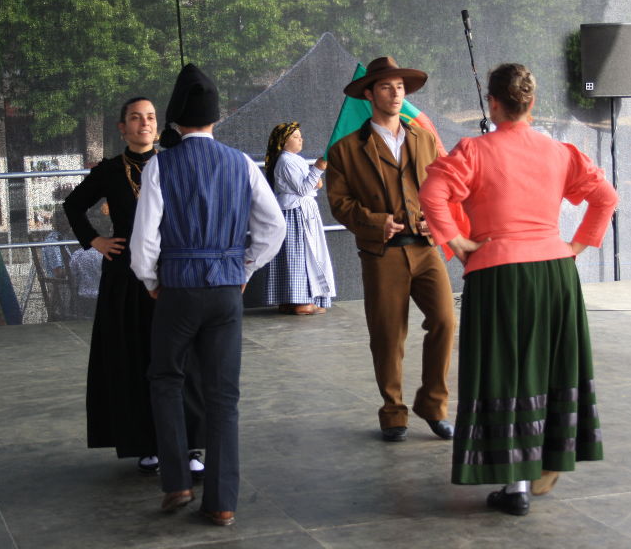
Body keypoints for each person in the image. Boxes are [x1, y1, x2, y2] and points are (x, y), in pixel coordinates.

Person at [418, 63, 617, 516]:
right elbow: (606, 198)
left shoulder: (473, 150)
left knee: (505, 373)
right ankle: (543, 464)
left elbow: (431, 194)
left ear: (492, 103)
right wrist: (575, 246)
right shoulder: (560, 152)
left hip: (499, 274)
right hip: (555, 272)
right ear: (531, 103)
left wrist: (458, 242)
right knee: (548, 370)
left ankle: (516, 485)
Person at [130, 64, 285, 526]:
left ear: (175, 121)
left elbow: (144, 243)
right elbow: (274, 228)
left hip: (177, 290)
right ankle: (221, 503)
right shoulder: (242, 164)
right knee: (223, 396)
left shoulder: (159, 165)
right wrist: (244, 267)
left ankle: (177, 482)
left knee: (166, 380)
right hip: (225, 291)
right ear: (217, 118)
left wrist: (151, 281)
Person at [64, 97, 207, 477]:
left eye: (150, 117)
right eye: (135, 118)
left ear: (158, 125)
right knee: (134, 356)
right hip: (125, 278)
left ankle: (191, 445)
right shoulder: (111, 171)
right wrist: (95, 241)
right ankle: (147, 443)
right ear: (122, 128)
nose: (144, 123)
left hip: (173, 272)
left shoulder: (176, 163)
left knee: (183, 358)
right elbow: (73, 205)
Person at [326, 56, 456, 443]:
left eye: (399, 87)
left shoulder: (424, 139)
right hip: (382, 254)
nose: (395, 93)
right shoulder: (345, 150)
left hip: (426, 249)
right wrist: (374, 221)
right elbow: (339, 203)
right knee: (387, 336)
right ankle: (393, 411)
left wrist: (436, 220)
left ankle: (433, 405)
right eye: (386, 87)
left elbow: (443, 189)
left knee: (446, 321)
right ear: (369, 95)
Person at [263, 122, 336, 315]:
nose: (300, 139)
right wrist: (318, 168)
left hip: (302, 211)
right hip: (296, 213)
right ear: (283, 142)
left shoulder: (295, 160)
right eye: (295, 137)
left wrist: (314, 177)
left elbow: (310, 184)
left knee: (300, 254)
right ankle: (300, 301)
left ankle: (292, 300)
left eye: (300, 136)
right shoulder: (286, 161)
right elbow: (303, 189)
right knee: (300, 255)